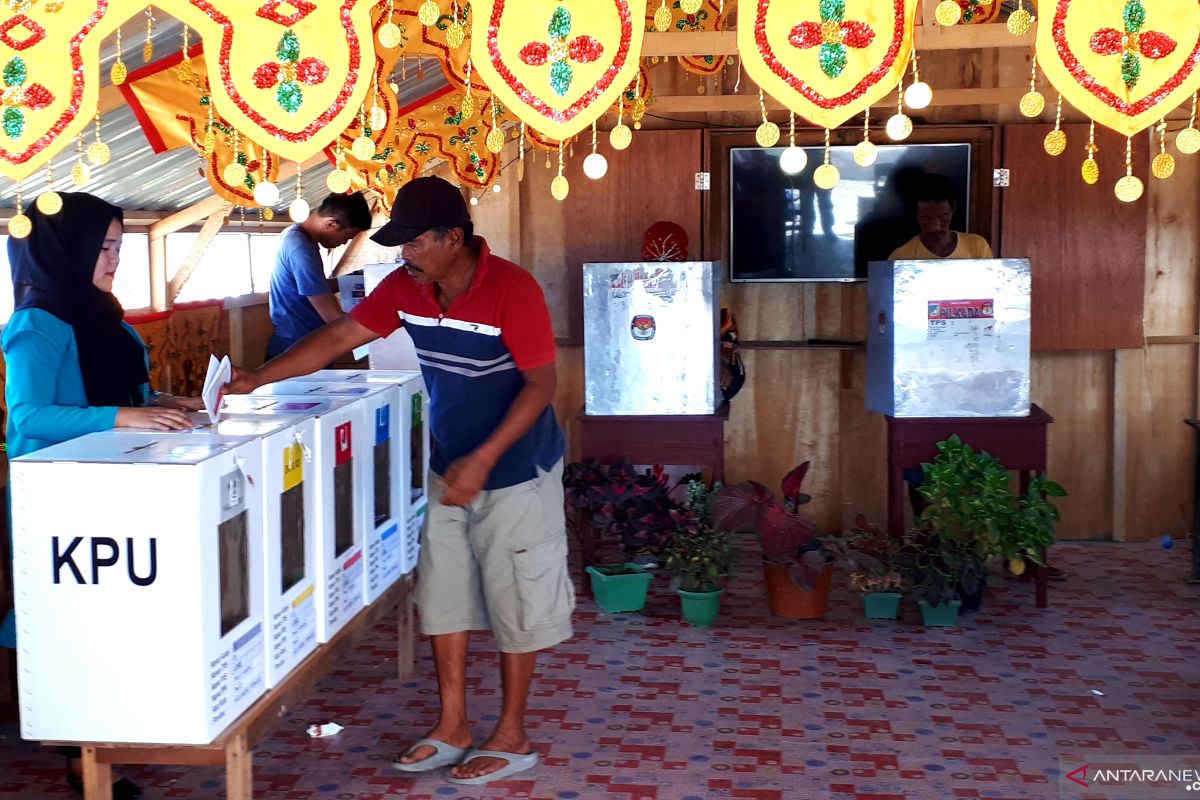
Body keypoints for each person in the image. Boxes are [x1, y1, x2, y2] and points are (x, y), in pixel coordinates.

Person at [226, 176, 570, 785]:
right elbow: (339, 335)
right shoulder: (406, 289)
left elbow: (542, 386)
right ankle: (453, 725)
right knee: (444, 597)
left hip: (516, 471)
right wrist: (260, 378)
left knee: (519, 599)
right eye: (400, 244)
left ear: (454, 238)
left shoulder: (512, 291)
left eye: (414, 243)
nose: (403, 254)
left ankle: (512, 732)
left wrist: (484, 460)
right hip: (448, 467)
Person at [2, 192, 199, 800]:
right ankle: (82, 757)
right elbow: (29, 413)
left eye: (118, 245)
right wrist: (120, 418)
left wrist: (166, 404)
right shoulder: (38, 322)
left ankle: (118, 727)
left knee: (115, 616)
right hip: (59, 496)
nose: (114, 258)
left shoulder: (103, 314)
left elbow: (130, 390)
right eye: (105, 246)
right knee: (74, 621)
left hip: (114, 485)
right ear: (69, 249)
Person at [266, 191, 372, 359]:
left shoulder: (294, 235)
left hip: (301, 344)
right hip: (296, 350)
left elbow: (314, 286)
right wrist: (378, 333)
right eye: (346, 237)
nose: (343, 243)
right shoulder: (301, 248)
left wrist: (358, 277)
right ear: (331, 224)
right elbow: (334, 318)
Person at [889, 173, 993, 260]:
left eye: (943, 216)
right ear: (914, 213)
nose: (936, 226)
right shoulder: (901, 257)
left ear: (953, 208)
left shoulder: (977, 246)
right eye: (926, 219)